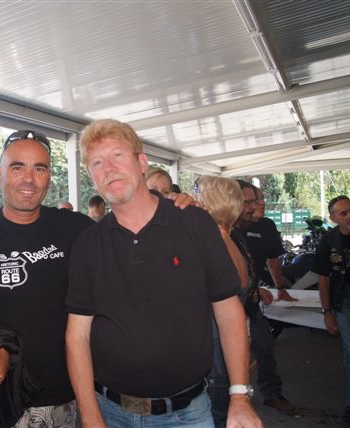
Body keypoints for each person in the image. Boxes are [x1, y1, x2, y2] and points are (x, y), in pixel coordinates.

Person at [0, 129, 197, 427]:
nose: (29, 179)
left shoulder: (78, 229)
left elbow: (137, 240)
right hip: (1, 402)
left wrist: (175, 210)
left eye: (39, 168)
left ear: (49, 176)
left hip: (70, 399)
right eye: (17, 167)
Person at [65, 119, 261, 428]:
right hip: (110, 412)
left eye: (117, 155)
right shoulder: (87, 244)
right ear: (92, 177)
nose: (109, 169)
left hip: (187, 414)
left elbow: (228, 308)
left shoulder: (194, 223)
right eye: (97, 163)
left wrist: (239, 397)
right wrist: (90, 416)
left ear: (142, 162)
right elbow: (77, 335)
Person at [195, 176, 255, 427]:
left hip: (216, 363)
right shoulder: (231, 241)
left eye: (197, 195)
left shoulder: (216, 247)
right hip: (226, 360)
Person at [234, 180, 296, 415]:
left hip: (250, 301)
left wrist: (280, 287)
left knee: (265, 347)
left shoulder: (267, 226)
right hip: (228, 301)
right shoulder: (226, 227)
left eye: (258, 200)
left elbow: (273, 258)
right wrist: (253, 286)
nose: (257, 205)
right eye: (250, 201)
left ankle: (272, 394)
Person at [312, 195, 350, 427]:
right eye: (344, 213)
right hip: (343, 300)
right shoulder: (328, 241)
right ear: (333, 219)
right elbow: (323, 278)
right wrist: (327, 311)